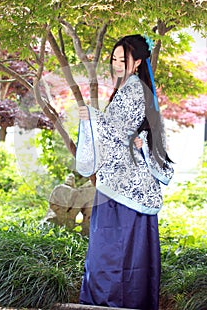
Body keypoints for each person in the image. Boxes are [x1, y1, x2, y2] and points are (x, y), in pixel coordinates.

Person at [75, 34, 174, 310]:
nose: (117, 64)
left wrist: (92, 117)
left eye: (123, 59)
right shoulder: (133, 88)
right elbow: (122, 130)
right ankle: (130, 301)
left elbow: (116, 129)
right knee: (126, 252)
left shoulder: (133, 90)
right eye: (115, 59)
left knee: (110, 250)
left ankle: (107, 303)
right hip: (124, 184)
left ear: (138, 61)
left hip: (122, 186)